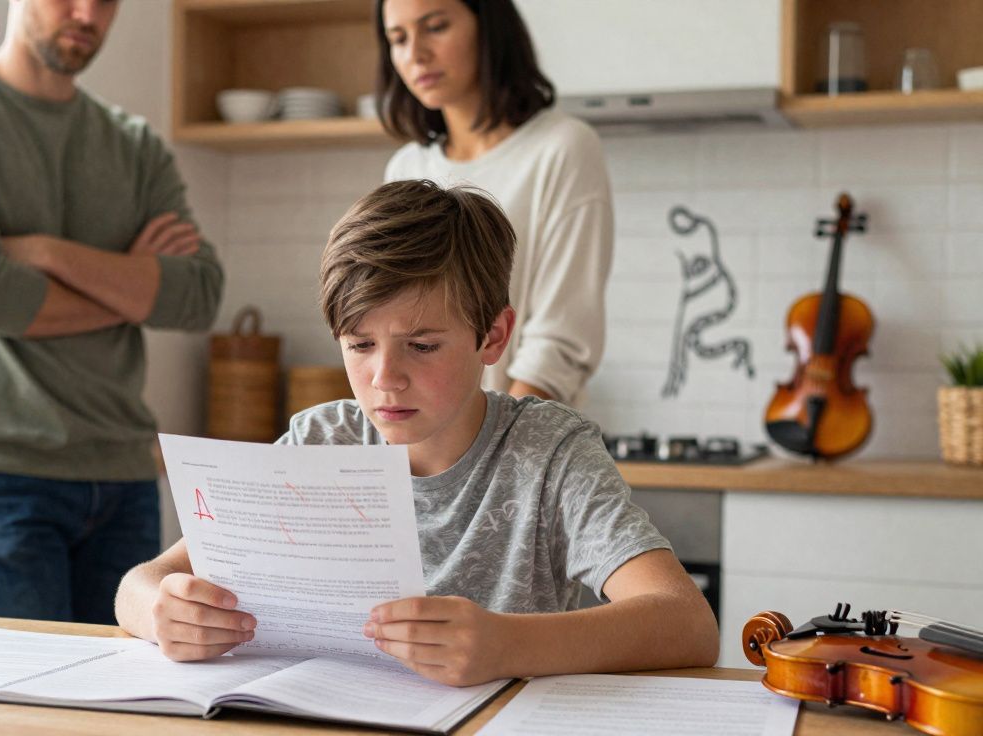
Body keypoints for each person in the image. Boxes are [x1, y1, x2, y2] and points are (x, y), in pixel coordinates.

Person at [115, 180, 718, 687]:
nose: (386, 380)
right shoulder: (319, 443)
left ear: (493, 338)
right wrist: (159, 612)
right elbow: (138, 586)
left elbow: (687, 624)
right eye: (360, 345)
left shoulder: (550, 452)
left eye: (422, 346)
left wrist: (507, 645)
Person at [0, 0, 223, 624]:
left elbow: (197, 294)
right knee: (22, 713)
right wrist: (127, 281)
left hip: (124, 473)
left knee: (127, 716)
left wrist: (42, 250)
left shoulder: (135, 144)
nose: (87, 13)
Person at [377, 0, 613, 405]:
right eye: (398, 38)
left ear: (489, 27)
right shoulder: (406, 167)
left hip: (524, 443)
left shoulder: (562, 149)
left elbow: (561, 338)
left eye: (435, 27)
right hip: (424, 449)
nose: (416, 54)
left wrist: (498, 447)